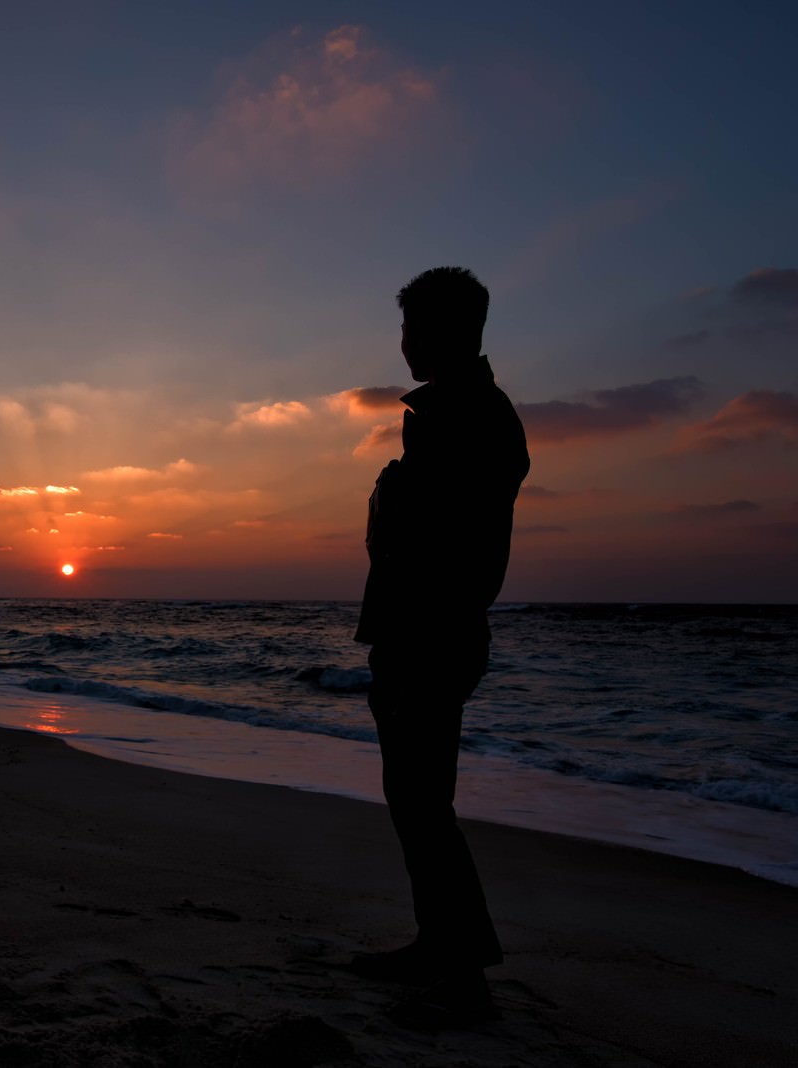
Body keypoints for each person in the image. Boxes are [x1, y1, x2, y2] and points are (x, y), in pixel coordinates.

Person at [348, 266, 529, 1028]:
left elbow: (440, 538)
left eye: (413, 331)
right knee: (413, 800)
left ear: (445, 332)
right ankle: (439, 944)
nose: (405, 345)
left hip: (434, 631)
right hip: (416, 629)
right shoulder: (446, 411)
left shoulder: (471, 414)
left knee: (424, 803)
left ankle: (465, 977)